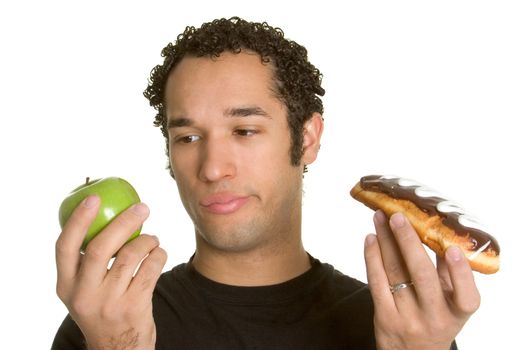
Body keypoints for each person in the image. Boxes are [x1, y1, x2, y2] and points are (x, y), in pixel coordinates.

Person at [52, 17, 479, 349]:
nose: (213, 168)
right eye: (188, 137)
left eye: (245, 131)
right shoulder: (105, 322)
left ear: (307, 138)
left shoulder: (402, 325)